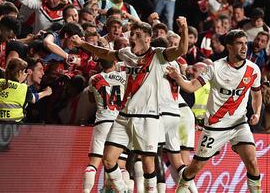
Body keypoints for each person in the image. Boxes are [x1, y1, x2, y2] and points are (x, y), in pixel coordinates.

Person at [71, 17, 188, 192]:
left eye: (138, 34)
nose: (133, 37)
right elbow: (104, 53)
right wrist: (82, 44)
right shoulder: (126, 53)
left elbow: (181, 49)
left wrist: (184, 29)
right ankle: (122, 190)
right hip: (124, 116)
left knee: (149, 165)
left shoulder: (158, 55)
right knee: (109, 159)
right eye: (132, 33)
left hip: (148, 118)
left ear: (148, 38)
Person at [167, 29, 262, 193]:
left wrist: (257, 112)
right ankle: (181, 189)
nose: (244, 47)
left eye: (245, 43)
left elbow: (257, 95)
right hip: (215, 128)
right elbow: (190, 87)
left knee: (252, 162)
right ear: (229, 47)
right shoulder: (215, 68)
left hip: (239, 124)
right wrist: (177, 77)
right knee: (193, 168)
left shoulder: (253, 70)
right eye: (239, 43)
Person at [82, 59, 127, 193]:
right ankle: (125, 189)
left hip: (102, 122)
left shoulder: (94, 78)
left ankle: (86, 191)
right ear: (114, 63)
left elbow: (91, 100)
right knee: (120, 164)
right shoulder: (124, 77)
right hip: (119, 123)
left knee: (94, 163)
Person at [0, 58, 51, 122]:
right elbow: (33, 99)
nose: (43, 73)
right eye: (24, 71)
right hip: (14, 124)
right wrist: (46, 92)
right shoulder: (23, 88)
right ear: (20, 72)